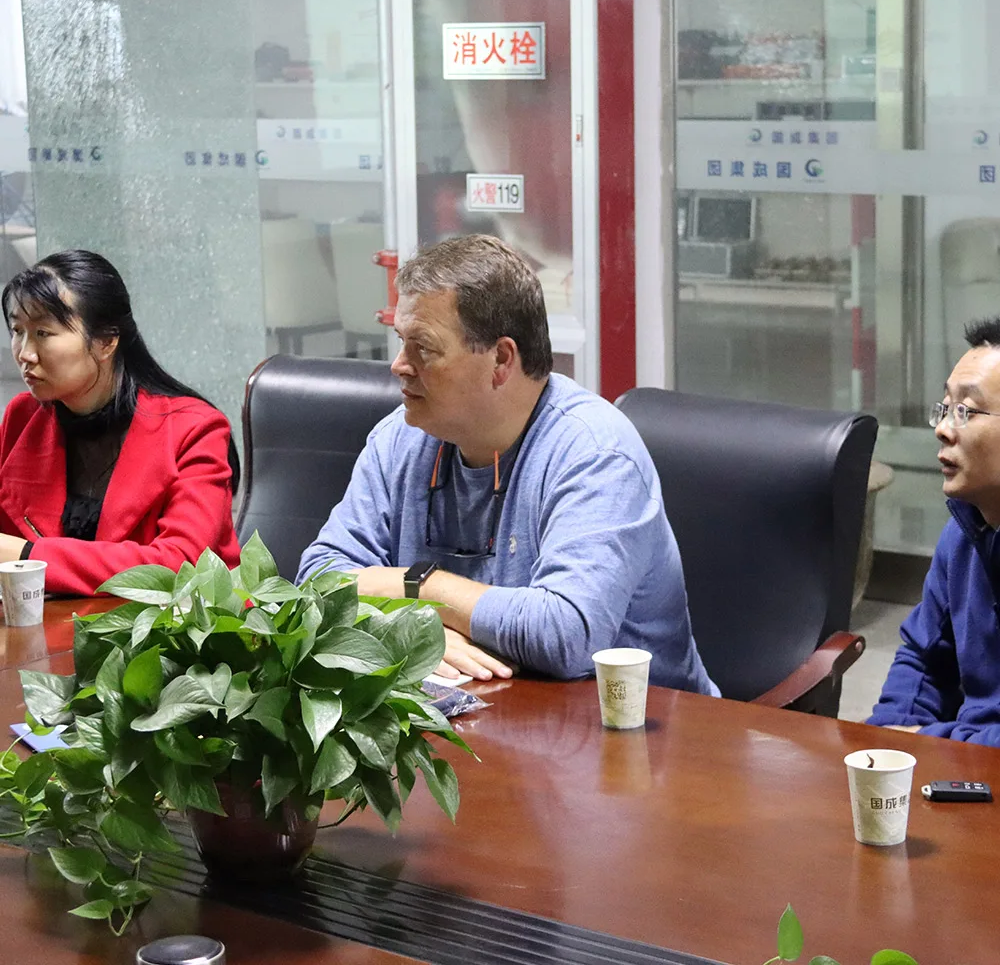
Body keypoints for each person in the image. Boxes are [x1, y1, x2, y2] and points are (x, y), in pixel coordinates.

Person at [298, 234, 717, 694]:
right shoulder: (399, 438)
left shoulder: (595, 453)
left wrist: (419, 589)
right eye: (401, 341)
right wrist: (413, 629)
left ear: (500, 359)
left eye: (424, 347)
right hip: (487, 714)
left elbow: (564, 635)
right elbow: (318, 579)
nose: (399, 365)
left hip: (634, 724)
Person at [0, 249, 241, 595]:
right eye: (17, 331)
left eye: (43, 333)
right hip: (53, 624)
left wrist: (28, 558)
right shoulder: (23, 418)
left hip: (172, 625)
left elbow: (179, 566)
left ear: (106, 341)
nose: (25, 353)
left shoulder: (194, 428)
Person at [869, 316, 1000, 744]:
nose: (943, 428)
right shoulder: (966, 528)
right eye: (945, 408)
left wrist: (933, 740)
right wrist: (890, 737)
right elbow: (924, 656)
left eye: (966, 411)